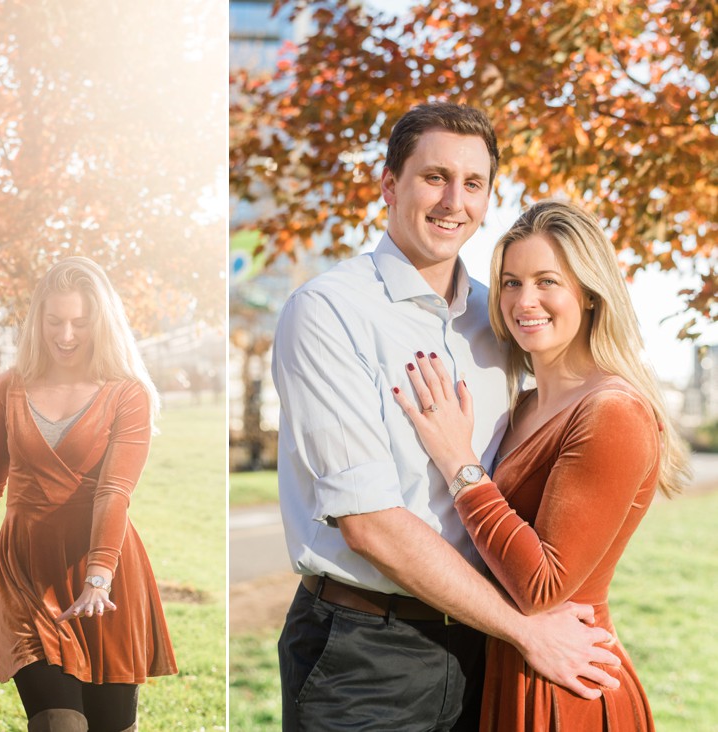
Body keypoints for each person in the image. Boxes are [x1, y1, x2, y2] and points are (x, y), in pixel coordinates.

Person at [272, 103, 620, 731]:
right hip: (367, 654)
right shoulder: (328, 312)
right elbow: (370, 524)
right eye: (434, 177)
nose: (453, 201)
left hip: (488, 648)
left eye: (473, 183)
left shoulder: (502, 319)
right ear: (389, 185)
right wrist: (524, 628)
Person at [394, 199, 689, 730]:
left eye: (546, 281)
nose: (524, 300)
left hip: (568, 687)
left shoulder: (612, 411)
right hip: (510, 662)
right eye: (510, 283)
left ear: (590, 293)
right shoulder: (526, 405)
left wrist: (460, 464)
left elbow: (542, 587)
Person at [0, 257, 177, 732]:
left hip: (104, 576)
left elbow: (114, 490)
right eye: (55, 321)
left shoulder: (127, 393)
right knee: (58, 723)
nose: (66, 335)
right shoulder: (8, 389)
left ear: (101, 323)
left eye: (81, 322)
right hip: (28, 573)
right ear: (37, 320)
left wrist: (99, 575)